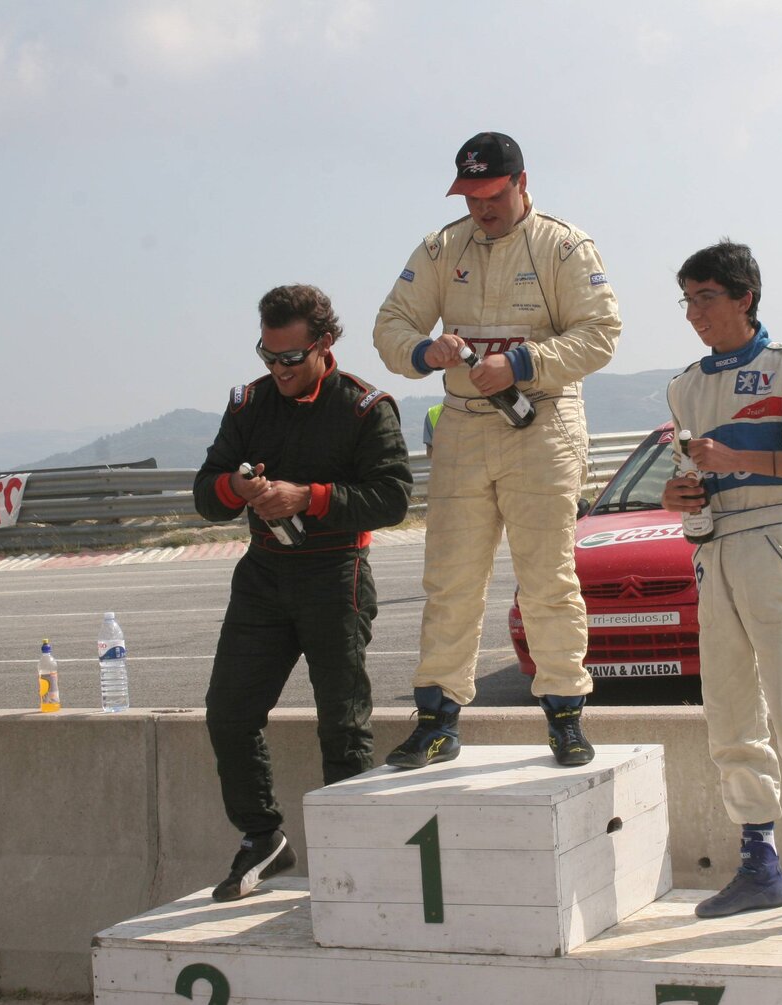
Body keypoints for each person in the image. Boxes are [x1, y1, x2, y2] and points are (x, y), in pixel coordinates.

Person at [373, 131, 621, 769]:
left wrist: (522, 362)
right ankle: (436, 721)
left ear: (521, 183)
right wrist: (426, 353)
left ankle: (565, 718)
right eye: (470, 194)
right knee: (450, 579)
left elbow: (600, 334)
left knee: (547, 579)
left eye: (491, 193)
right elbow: (391, 325)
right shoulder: (439, 247)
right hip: (460, 424)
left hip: (542, 424)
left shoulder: (564, 246)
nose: (480, 207)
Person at [662, 241, 782, 937]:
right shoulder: (685, 385)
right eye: (686, 300)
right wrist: (677, 491)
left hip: (777, 532)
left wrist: (739, 457)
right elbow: (685, 471)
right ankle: (759, 864)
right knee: (730, 712)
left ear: (745, 296)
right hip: (711, 547)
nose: (693, 314)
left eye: (706, 298)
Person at [194, 284, 412, 901]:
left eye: (291, 358)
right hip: (262, 575)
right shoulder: (247, 404)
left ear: (325, 344)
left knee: (342, 728)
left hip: (335, 573)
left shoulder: (366, 406)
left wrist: (309, 497)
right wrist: (237, 489)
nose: (279, 370)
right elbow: (204, 493)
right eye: (268, 356)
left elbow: (394, 498)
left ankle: (355, 861)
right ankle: (262, 837)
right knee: (228, 714)